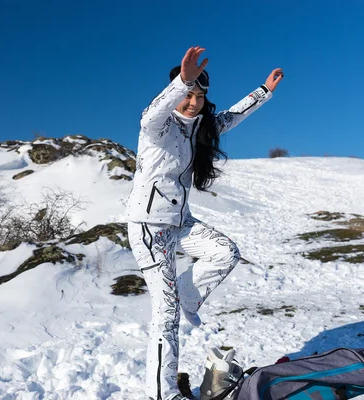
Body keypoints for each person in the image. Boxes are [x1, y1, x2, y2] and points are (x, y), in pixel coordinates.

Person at [125, 46, 283, 400]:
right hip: (150, 228)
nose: (192, 102)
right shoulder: (156, 127)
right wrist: (183, 80)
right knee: (166, 317)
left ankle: (187, 297)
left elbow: (231, 117)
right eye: (187, 95)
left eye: (199, 96)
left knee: (225, 252)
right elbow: (156, 108)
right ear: (177, 93)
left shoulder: (200, 128)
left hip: (180, 224)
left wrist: (264, 91)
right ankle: (162, 394)